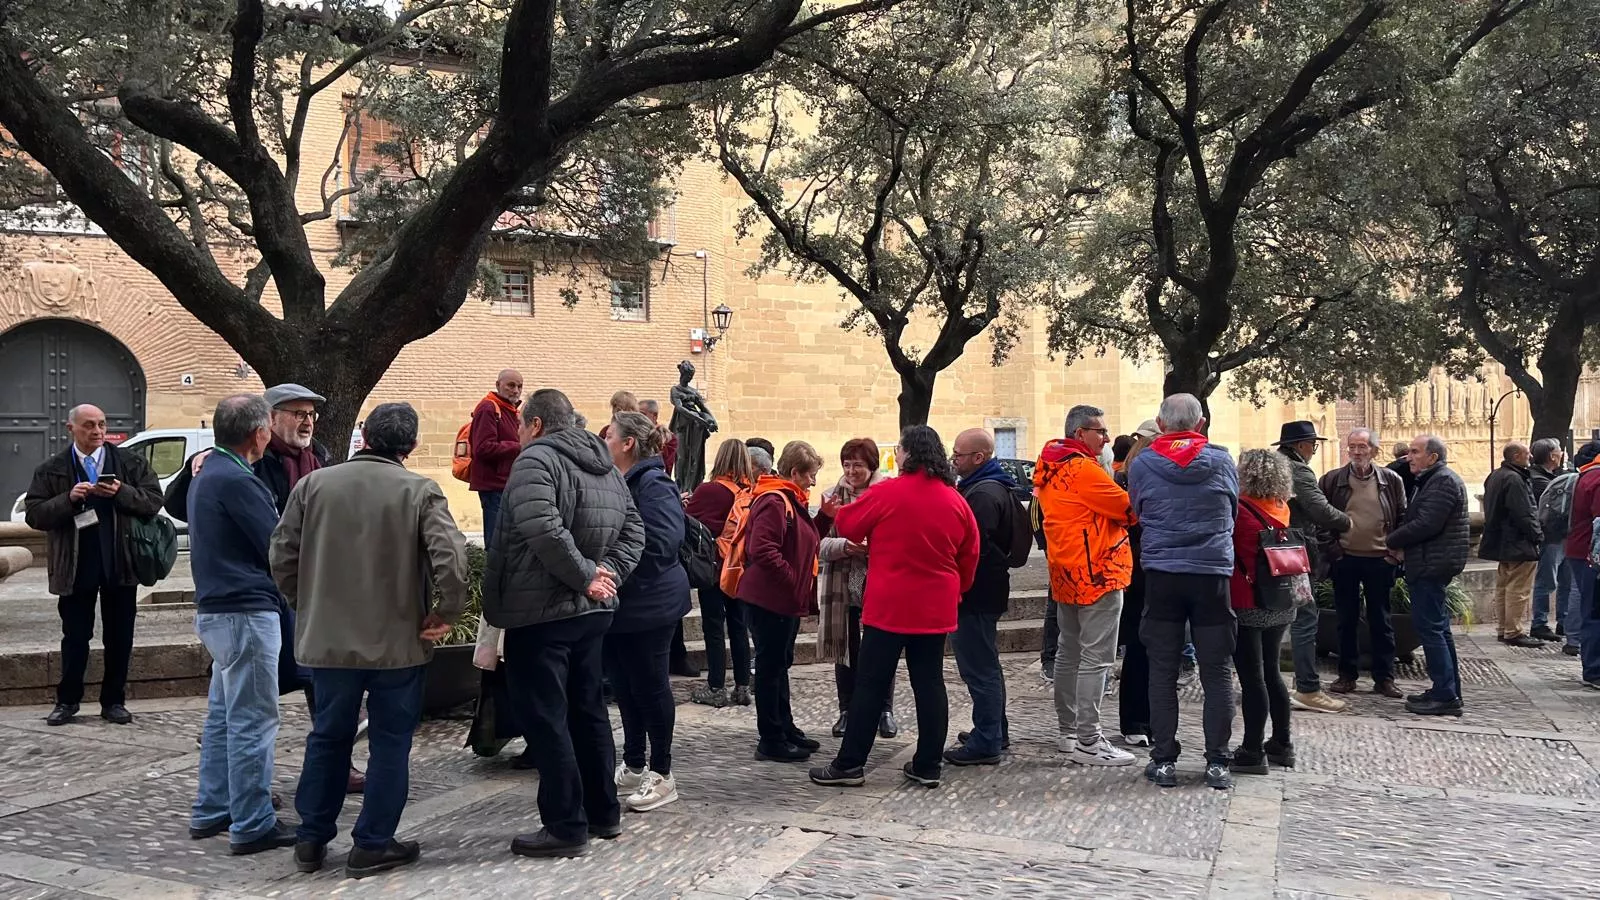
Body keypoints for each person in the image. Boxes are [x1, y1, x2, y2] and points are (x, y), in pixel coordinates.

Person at [270, 403, 468, 878]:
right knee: (390, 744)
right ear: (412, 446)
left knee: (327, 737)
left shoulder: (313, 485)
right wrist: (445, 613)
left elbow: (281, 555)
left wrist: (305, 602)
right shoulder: (419, 490)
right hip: (397, 643)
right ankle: (373, 843)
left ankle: (311, 838)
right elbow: (452, 559)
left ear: (366, 437)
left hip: (329, 641)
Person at [164, 383, 366, 794]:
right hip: (265, 591)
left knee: (318, 678)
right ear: (269, 421)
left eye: (311, 414)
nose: (307, 422)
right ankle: (246, 797)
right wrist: (194, 466)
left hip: (307, 586)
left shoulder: (319, 458)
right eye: (298, 414)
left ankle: (334, 765)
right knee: (251, 705)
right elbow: (181, 504)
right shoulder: (245, 464)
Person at [482, 388, 644, 858]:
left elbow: (543, 528)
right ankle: (603, 813)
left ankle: (565, 825)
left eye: (520, 425)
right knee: (587, 711)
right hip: (588, 613)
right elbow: (634, 531)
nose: (518, 433)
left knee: (547, 718)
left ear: (535, 425)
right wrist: (603, 575)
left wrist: (589, 576)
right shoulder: (605, 466)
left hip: (542, 613)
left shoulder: (535, 460)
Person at [810, 426, 978, 789]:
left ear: (908, 454)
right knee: (930, 684)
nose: (896, 456)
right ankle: (928, 765)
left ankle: (850, 765)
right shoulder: (955, 499)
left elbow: (849, 524)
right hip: (935, 607)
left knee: (870, 685)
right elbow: (970, 554)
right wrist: (956, 589)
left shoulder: (888, 492)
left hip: (890, 605)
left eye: (899, 450)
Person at [186, 395, 295, 854]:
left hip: (219, 610)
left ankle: (213, 808)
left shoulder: (210, 473)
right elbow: (277, 547)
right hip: (246, 611)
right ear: (259, 433)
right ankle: (252, 822)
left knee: (223, 716)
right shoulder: (237, 479)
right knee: (253, 720)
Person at [24, 403, 164, 727]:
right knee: (75, 636)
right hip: (75, 566)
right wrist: (68, 498)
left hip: (120, 562)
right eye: (89, 425)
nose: (98, 431)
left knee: (120, 637)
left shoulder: (130, 462)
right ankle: (67, 701)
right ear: (70, 428)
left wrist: (121, 491)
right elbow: (34, 514)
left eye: (101, 424)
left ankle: (114, 702)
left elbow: (154, 501)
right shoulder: (52, 469)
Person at [1127, 394, 1240, 791]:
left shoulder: (1143, 464)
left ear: (1160, 424)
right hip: (1211, 574)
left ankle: (1163, 760)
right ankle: (1217, 761)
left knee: (1162, 670)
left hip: (1163, 574)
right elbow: (1232, 509)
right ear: (1201, 423)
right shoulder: (1222, 461)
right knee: (1216, 670)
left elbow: (1138, 510)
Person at [1032, 408, 1136, 767]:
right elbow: (1128, 510)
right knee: (1096, 658)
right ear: (1080, 433)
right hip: (1098, 572)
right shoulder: (1084, 469)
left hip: (1066, 571)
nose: (1106, 438)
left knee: (1069, 652)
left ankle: (1069, 732)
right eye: (1100, 431)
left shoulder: (1050, 466)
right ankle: (1090, 740)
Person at [602, 411, 692, 813]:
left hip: (650, 604)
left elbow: (662, 544)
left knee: (651, 687)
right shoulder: (621, 481)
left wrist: (614, 569)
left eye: (610, 436)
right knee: (625, 686)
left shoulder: (654, 483)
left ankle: (662, 772)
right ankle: (635, 763)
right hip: (622, 605)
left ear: (628, 444)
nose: (604, 442)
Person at [739, 441, 830, 762]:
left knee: (779, 665)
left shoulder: (790, 499)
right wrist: (792, 579)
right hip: (770, 600)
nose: (813, 481)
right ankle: (771, 738)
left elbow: (803, 541)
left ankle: (785, 727)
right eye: (810, 474)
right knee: (770, 669)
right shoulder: (775, 500)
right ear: (794, 472)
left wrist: (824, 519)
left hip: (783, 599)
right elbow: (763, 549)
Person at [945, 428, 1027, 765]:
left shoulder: (982, 495)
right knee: (986, 664)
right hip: (986, 591)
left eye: (959, 454)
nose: (954, 459)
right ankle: (994, 730)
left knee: (979, 668)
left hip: (976, 593)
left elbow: (972, 550)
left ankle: (987, 739)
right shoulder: (991, 486)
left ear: (979, 457)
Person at [1318, 428, 1407, 697]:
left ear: (1374, 450)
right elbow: (1320, 519)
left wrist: (1395, 551)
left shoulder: (1391, 480)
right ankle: (1347, 676)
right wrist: (1334, 550)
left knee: (1381, 619)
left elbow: (1403, 516)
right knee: (1346, 619)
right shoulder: (1332, 480)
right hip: (1345, 558)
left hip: (1380, 559)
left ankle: (1384, 678)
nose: (1356, 452)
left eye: (1362, 447)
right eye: (1352, 447)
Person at [1385, 436, 1470, 716]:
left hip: (1431, 565)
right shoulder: (1434, 479)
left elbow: (1426, 523)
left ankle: (1445, 695)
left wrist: (1391, 540)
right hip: (1431, 562)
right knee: (1438, 628)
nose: (1408, 457)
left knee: (1431, 630)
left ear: (1432, 457)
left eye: (1415, 452)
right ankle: (1447, 689)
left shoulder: (1442, 481)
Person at [818, 438, 896, 740]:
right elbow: (818, 542)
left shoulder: (886, 495)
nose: (851, 471)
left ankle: (884, 709)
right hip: (842, 582)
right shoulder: (831, 497)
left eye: (858, 465)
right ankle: (846, 709)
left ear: (871, 466)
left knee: (881, 648)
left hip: (878, 580)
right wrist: (844, 546)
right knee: (845, 648)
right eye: (847, 464)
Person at [1228, 450, 1300, 774]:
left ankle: (1252, 749)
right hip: (1281, 600)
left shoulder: (1240, 511)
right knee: (1272, 672)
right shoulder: (1281, 507)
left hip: (1248, 600)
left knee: (1252, 677)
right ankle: (1282, 743)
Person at [1275, 421, 1351, 715]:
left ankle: (1269, 684)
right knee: (1305, 618)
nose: (1313, 451)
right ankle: (1308, 689)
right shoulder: (1298, 470)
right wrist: (1348, 522)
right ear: (1301, 446)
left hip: (1268, 551)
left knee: (1271, 620)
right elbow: (1321, 510)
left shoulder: (1270, 465)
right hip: (1293, 553)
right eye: (1313, 445)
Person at [686, 439, 756, 708]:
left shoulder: (709, 490)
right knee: (739, 627)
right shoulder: (751, 493)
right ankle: (742, 686)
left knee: (713, 627)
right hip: (739, 569)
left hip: (714, 569)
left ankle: (716, 686)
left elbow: (688, 521)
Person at [1480, 442, 1544, 648]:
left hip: (1502, 541)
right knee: (1518, 588)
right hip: (1518, 542)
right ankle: (1513, 631)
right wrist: (1537, 536)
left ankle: (1504, 628)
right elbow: (1524, 512)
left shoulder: (1496, 475)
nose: (1530, 456)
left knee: (1504, 586)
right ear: (1516, 456)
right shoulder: (1515, 478)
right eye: (1526, 453)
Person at [1114, 432, 1155, 748]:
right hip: (1138, 577)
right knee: (1141, 651)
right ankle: (1137, 721)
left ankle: (1143, 721)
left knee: (1146, 652)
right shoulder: (1125, 492)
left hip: (1143, 575)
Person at [468, 369, 523, 549]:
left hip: (505, 483)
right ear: (498, 385)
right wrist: (518, 447)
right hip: (493, 485)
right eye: (511, 385)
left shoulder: (510, 410)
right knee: (496, 543)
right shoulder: (488, 408)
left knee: (505, 541)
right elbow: (482, 447)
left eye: (519, 386)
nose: (516, 390)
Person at [1559, 441, 1600, 660]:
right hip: (1590, 553)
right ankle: (1592, 667)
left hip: (1578, 548)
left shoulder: (1585, 476)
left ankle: (1575, 640)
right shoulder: (1597, 479)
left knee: (1584, 600)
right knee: (1593, 611)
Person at [1528, 438, 1568, 643]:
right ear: (1552, 456)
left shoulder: (1551, 477)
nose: (1562, 454)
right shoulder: (1540, 481)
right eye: (1559, 451)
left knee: (1566, 581)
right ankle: (1540, 623)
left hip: (1562, 537)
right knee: (1547, 581)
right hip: (1551, 538)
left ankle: (1564, 621)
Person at [638, 399, 679, 475]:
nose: (639, 418)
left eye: (642, 414)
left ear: (655, 416)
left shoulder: (668, 438)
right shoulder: (633, 434)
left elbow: (666, 463)